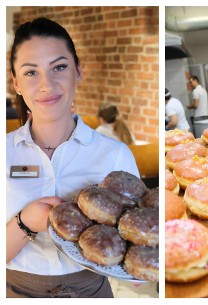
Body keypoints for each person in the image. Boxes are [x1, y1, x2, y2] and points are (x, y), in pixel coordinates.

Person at [6, 17, 139, 297]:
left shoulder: (115, 155)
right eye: (31, 73)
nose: (47, 84)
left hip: (92, 292)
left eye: (60, 67)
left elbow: (135, 244)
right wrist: (25, 221)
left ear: (78, 71)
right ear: (16, 83)